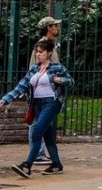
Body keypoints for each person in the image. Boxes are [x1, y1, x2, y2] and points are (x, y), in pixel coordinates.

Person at [1, 39, 73, 178]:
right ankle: (56, 164)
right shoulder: (34, 69)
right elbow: (21, 86)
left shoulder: (57, 67)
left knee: (36, 132)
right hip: (37, 105)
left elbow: (71, 81)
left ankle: (27, 166)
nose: (38, 55)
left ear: (49, 53)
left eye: (41, 52)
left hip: (51, 103)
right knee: (48, 136)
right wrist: (5, 99)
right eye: (36, 52)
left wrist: (61, 80)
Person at [28, 17, 61, 166]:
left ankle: (52, 160)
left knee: (45, 123)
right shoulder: (41, 46)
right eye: (55, 26)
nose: (57, 28)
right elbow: (33, 69)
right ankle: (37, 154)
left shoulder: (50, 45)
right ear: (48, 28)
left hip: (50, 91)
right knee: (36, 123)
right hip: (41, 91)